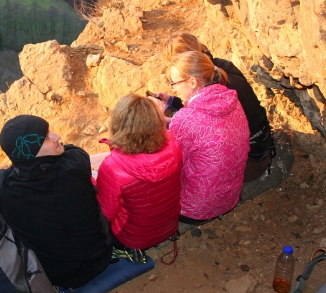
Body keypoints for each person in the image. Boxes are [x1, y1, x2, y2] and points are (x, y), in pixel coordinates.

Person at [0, 115, 112, 289]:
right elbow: (71, 150)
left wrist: (19, 167)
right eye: (46, 137)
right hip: (102, 256)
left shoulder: (3, 189)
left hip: (58, 276)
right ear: (32, 150)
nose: (57, 136)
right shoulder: (76, 163)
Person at [158, 32, 273, 182]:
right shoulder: (218, 69)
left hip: (250, 161)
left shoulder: (217, 86)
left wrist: (167, 121)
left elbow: (197, 125)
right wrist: (173, 102)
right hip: (259, 146)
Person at [168, 51, 250, 224]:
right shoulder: (232, 100)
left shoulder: (186, 119)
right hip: (228, 199)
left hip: (193, 209)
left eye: (174, 83)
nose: (173, 89)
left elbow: (167, 165)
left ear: (193, 82)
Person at [95, 94, 182, 250]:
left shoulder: (112, 168)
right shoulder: (173, 145)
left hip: (131, 239)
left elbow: (106, 213)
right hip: (169, 226)